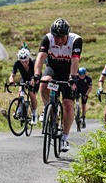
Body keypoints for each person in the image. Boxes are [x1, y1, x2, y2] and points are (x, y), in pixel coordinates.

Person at [33, 18, 83, 152]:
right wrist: (37, 75)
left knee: (68, 104)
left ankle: (65, 138)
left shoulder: (76, 40)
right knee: (44, 83)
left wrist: (72, 78)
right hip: (53, 69)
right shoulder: (47, 39)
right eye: (56, 37)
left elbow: (74, 61)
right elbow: (40, 58)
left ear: (67, 34)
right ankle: (48, 107)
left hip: (68, 71)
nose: (59, 40)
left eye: (62, 37)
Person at [7, 46, 38, 124]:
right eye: (22, 61)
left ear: (29, 59)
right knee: (20, 91)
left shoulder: (33, 62)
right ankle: (19, 109)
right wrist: (11, 81)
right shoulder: (17, 63)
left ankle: (34, 114)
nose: (24, 63)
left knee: (31, 94)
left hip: (33, 79)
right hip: (24, 78)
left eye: (26, 61)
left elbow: (37, 73)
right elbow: (12, 74)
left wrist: (33, 80)